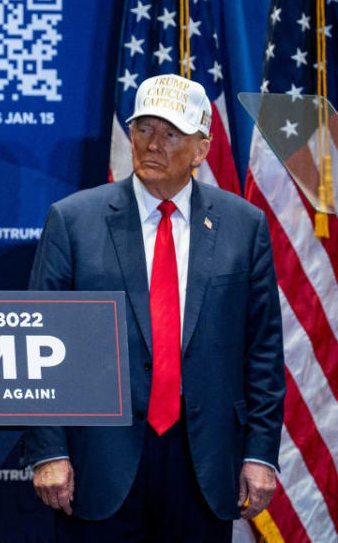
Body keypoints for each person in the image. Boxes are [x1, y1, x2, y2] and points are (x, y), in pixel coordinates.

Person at [25, 74, 285, 542]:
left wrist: (261, 455)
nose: (152, 143)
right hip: (98, 459)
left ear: (202, 149)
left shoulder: (244, 226)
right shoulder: (74, 219)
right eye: (143, 128)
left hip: (203, 459)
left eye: (170, 133)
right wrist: (48, 450)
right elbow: (40, 341)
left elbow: (263, 350)